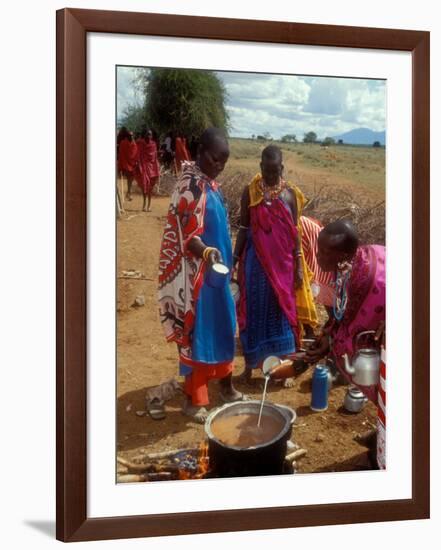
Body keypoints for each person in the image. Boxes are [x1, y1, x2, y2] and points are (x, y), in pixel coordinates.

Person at [158, 127, 245, 423]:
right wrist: (207, 252)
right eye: (214, 159)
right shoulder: (190, 186)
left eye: (224, 161)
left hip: (216, 276)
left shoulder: (210, 183)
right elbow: (186, 234)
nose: (219, 166)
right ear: (199, 152)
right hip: (196, 279)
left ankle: (226, 387)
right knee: (199, 335)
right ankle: (193, 400)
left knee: (224, 326)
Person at [233, 145, 318, 384]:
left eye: (275, 171)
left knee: (282, 313)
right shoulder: (250, 192)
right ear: (260, 167)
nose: (271, 177)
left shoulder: (290, 195)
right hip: (255, 265)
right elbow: (243, 228)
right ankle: (250, 367)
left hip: (283, 267)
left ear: (282, 168)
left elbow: (296, 234)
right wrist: (233, 259)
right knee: (252, 313)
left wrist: (300, 267)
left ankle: (284, 368)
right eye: (267, 171)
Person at [305, 220, 385, 403]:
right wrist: (328, 335)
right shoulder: (344, 266)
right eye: (319, 248)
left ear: (343, 255)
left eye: (325, 252)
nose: (317, 255)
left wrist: (331, 342)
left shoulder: (371, 281)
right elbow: (343, 311)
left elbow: (353, 326)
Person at [135, 129, 160, 212]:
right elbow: (138, 153)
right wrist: (138, 163)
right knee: (144, 187)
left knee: (150, 188)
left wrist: (157, 166)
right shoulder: (141, 143)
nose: (149, 136)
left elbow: (155, 156)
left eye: (150, 134)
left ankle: (149, 205)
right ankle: (144, 204)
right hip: (143, 168)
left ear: (152, 136)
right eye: (147, 134)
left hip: (152, 168)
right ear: (145, 135)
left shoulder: (153, 144)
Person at [118, 130, 138, 201]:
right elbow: (121, 153)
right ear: (127, 136)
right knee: (129, 178)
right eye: (130, 135)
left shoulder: (134, 144)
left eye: (132, 135)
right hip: (126, 163)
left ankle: (129, 192)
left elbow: (135, 154)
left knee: (131, 179)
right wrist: (121, 164)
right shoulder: (123, 143)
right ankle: (129, 193)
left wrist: (135, 162)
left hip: (132, 164)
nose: (131, 136)